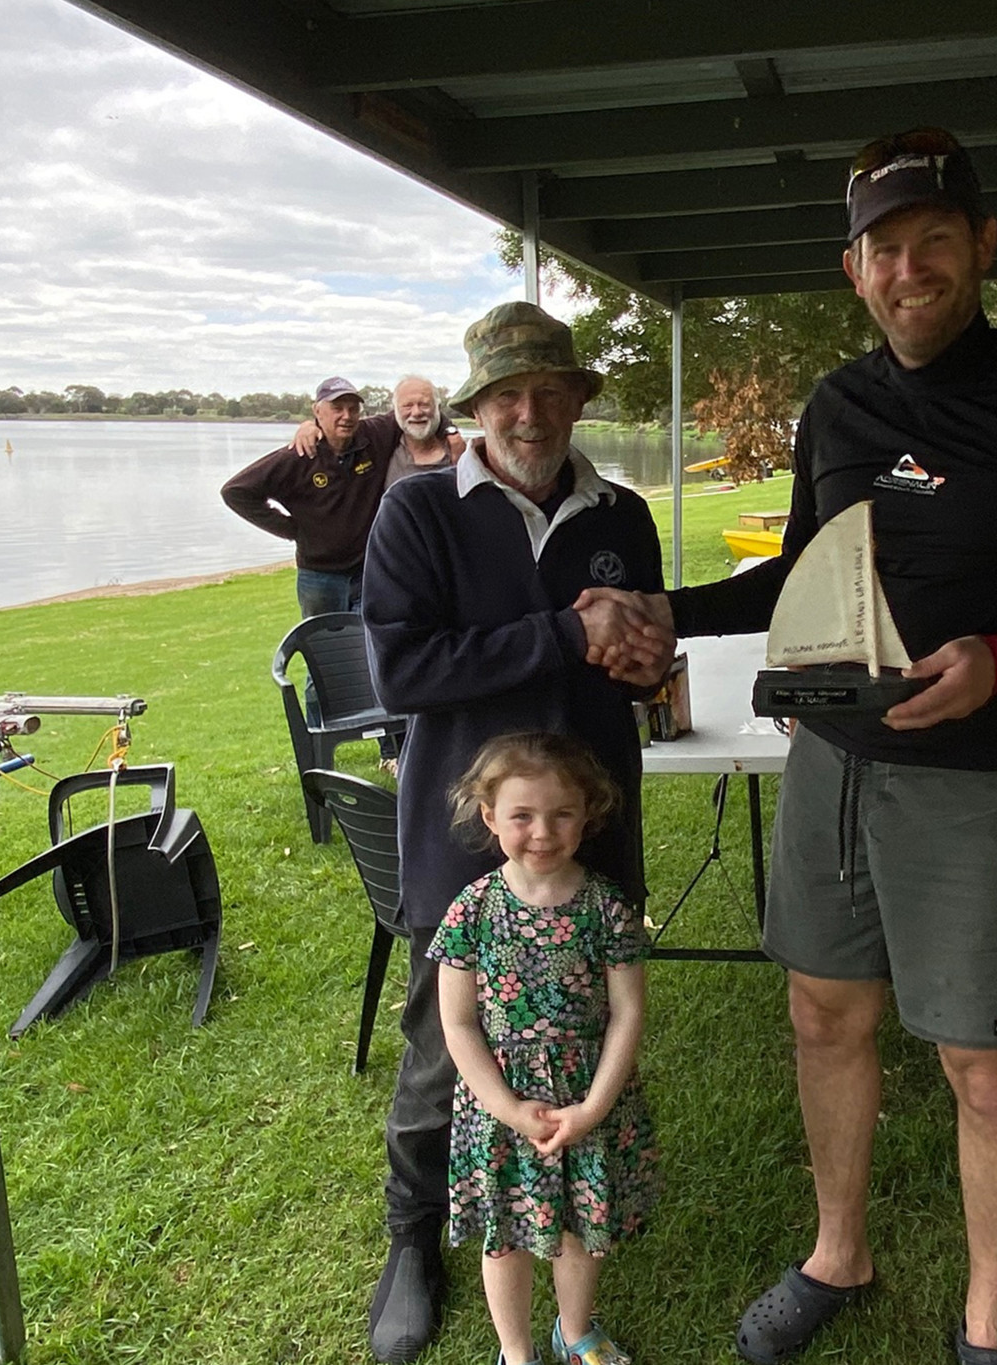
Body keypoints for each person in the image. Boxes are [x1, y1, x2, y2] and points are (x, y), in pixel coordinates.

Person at [582, 128, 997, 1365]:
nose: (909, 270)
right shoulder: (841, 403)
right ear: (849, 269)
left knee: (983, 1064)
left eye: (933, 243)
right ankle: (836, 1253)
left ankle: (984, 1326)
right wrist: (667, 614)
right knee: (821, 1014)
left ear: (982, 247)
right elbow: (801, 578)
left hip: (979, 781)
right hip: (834, 767)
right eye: (883, 250)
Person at [359, 301, 669, 1363]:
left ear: (578, 399)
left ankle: (575, 1216)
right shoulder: (417, 513)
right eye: (505, 396)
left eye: (547, 392)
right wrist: (563, 633)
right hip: (466, 835)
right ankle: (411, 1240)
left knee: (588, 1028)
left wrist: (642, 662)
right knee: (439, 1048)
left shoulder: (620, 512)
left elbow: (633, 642)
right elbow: (401, 671)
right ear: (475, 407)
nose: (528, 413)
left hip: (590, 830)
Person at [434, 732, 658, 1365]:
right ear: (490, 817)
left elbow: (628, 1012)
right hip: (500, 1107)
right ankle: (516, 1350)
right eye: (522, 815)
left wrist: (593, 1108)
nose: (542, 831)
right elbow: (458, 1025)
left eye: (562, 813)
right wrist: (506, 1107)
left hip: (584, 1099)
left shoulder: (608, 909)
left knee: (579, 1229)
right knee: (504, 1235)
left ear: (587, 814)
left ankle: (576, 1330)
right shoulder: (471, 912)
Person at [220, 375, 392, 618]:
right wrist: (291, 529)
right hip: (318, 578)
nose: (346, 416)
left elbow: (419, 409)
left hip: (367, 574)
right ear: (317, 412)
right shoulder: (298, 456)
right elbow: (236, 491)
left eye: (353, 409)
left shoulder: (373, 437)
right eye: (337, 408)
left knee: (366, 650)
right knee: (322, 648)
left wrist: (449, 431)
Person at [290, 373, 469, 486]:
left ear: (437, 406)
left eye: (424, 404)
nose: (416, 412)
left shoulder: (464, 453)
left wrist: (451, 431)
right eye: (407, 405)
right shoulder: (383, 441)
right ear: (396, 410)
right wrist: (311, 425)